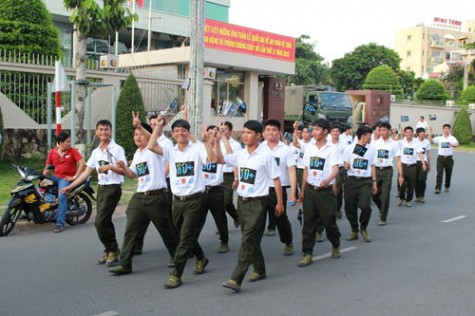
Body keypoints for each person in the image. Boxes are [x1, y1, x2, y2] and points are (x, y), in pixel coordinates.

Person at [148, 118, 217, 289]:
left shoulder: (198, 148)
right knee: (184, 235)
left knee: (184, 240)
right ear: (173, 134)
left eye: (183, 130)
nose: (180, 133)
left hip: (194, 200)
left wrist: (207, 141)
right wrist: (157, 127)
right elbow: (151, 146)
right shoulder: (170, 151)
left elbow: (212, 159)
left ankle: (176, 274)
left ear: (188, 132)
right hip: (177, 201)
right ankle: (201, 257)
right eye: (177, 130)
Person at [219, 120, 283, 293]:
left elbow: (276, 179)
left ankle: (236, 278)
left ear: (258, 135)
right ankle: (260, 269)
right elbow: (220, 159)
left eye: (249, 133)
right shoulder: (240, 154)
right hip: (242, 201)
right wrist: (220, 139)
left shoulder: (266, 155)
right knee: (251, 240)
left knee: (247, 240)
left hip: (257, 203)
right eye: (244, 132)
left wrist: (279, 202)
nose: (245, 135)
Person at [108, 119, 178, 275]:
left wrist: (141, 126)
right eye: (135, 134)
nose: (137, 137)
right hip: (140, 196)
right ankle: (125, 263)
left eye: (141, 134)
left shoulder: (155, 150)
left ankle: (177, 257)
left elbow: (154, 139)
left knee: (166, 230)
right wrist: (124, 167)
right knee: (131, 229)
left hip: (157, 196)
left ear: (149, 136)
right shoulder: (137, 153)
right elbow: (132, 175)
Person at [62, 120, 125, 266]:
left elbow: (124, 170)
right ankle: (111, 249)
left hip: (113, 188)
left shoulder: (117, 149)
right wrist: (71, 186)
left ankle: (112, 249)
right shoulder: (96, 152)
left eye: (107, 129)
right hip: (102, 189)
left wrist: (110, 167)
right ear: (96, 132)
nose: (104, 132)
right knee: (104, 221)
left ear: (111, 131)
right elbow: (86, 172)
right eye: (101, 129)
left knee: (100, 221)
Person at [298, 118, 342, 267]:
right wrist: (302, 191)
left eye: (317, 129)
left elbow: (336, 168)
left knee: (329, 221)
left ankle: (335, 244)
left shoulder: (332, 149)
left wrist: (329, 178)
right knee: (308, 223)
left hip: (326, 191)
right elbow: (306, 170)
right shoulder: (309, 148)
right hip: (311, 189)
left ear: (325, 132)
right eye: (313, 129)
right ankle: (307, 253)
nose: (314, 132)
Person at [133, 114, 175, 256]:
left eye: (156, 124)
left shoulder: (165, 142)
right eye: (151, 124)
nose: (153, 126)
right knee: (140, 220)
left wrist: (159, 177)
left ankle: (179, 251)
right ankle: (136, 247)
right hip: (149, 186)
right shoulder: (143, 146)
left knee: (166, 221)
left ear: (162, 126)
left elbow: (168, 163)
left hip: (163, 183)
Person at [262, 119, 297, 256]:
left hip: (277, 190)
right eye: (268, 130)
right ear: (264, 133)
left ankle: (288, 241)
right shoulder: (259, 148)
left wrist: (293, 193)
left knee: (281, 219)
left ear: (279, 133)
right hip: (261, 190)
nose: (271, 132)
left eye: (274, 130)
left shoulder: (286, 150)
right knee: (256, 221)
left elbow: (292, 171)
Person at [196, 125, 230, 254]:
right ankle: (193, 243)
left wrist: (220, 139)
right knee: (198, 218)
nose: (211, 136)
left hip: (216, 190)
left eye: (214, 133)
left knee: (220, 217)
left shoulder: (220, 149)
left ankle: (224, 241)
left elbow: (229, 153)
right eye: (209, 133)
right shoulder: (200, 148)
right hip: (202, 190)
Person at [44, 132, 85, 233]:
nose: (69, 143)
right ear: (61, 143)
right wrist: (42, 177)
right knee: (40, 190)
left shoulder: (72, 151)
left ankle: (60, 224)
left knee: (62, 196)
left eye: (69, 141)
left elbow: (82, 162)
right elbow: (48, 167)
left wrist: (75, 176)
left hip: (65, 179)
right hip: (55, 177)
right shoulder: (52, 153)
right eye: (67, 141)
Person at [343, 125, 377, 242]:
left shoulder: (371, 149)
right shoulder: (349, 148)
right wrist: (346, 166)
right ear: (363, 136)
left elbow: (372, 166)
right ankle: (354, 230)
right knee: (349, 207)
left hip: (365, 181)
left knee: (365, 206)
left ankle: (364, 227)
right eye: (369, 136)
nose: (370, 138)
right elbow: (345, 163)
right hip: (351, 180)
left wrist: (374, 182)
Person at [372, 122, 402, 225]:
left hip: (387, 171)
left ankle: (383, 218)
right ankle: (381, 208)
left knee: (385, 195)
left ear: (389, 131)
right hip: (376, 170)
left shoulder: (394, 144)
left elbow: (398, 159)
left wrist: (401, 175)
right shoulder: (374, 143)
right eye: (380, 130)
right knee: (374, 194)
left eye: (384, 130)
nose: (382, 132)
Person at [219, 121, 241, 228]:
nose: (222, 131)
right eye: (221, 129)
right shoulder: (217, 142)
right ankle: (222, 227)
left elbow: (235, 163)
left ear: (230, 131)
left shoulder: (236, 145)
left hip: (229, 175)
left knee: (227, 201)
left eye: (225, 129)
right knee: (219, 204)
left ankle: (236, 216)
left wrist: (236, 178)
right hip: (218, 175)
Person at [397, 126, 424, 207]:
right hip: (403, 166)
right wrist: (396, 134)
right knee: (401, 184)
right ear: (405, 133)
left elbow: (420, 153)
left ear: (412, 133)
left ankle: (408, 200)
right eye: (407, 132)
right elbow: (394, 143)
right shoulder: (401, 142)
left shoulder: (416, 142)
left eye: (410, 132)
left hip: (412, 166)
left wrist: (423, 163)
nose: (409, 134)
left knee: (411, 184)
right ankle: (401, 198)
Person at [430, 124, 459, 194]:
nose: (446, 130)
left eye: (447, 128)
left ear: (449, 129)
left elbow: (457, 144)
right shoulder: (440, 138)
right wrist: (430, 132)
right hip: (441, 158)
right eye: (445, 128)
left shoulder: (452, 138)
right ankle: (438, 188)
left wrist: (452, 145)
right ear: (443, 130)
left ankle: (447, 186)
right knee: (439, 173)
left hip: (449, 158)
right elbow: (431, 141)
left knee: (448, 173)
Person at [415, 127, 431, 203]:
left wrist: (429, 165)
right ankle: (417, 196)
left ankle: (422, 196)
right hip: (415, 162)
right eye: (422, 132)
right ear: (418, 133)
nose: (424, 133)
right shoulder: (414, 141)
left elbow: (428, 154)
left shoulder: (427, 142)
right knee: (416, 180)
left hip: (424, 162)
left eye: (424, 132)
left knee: (422, 179)